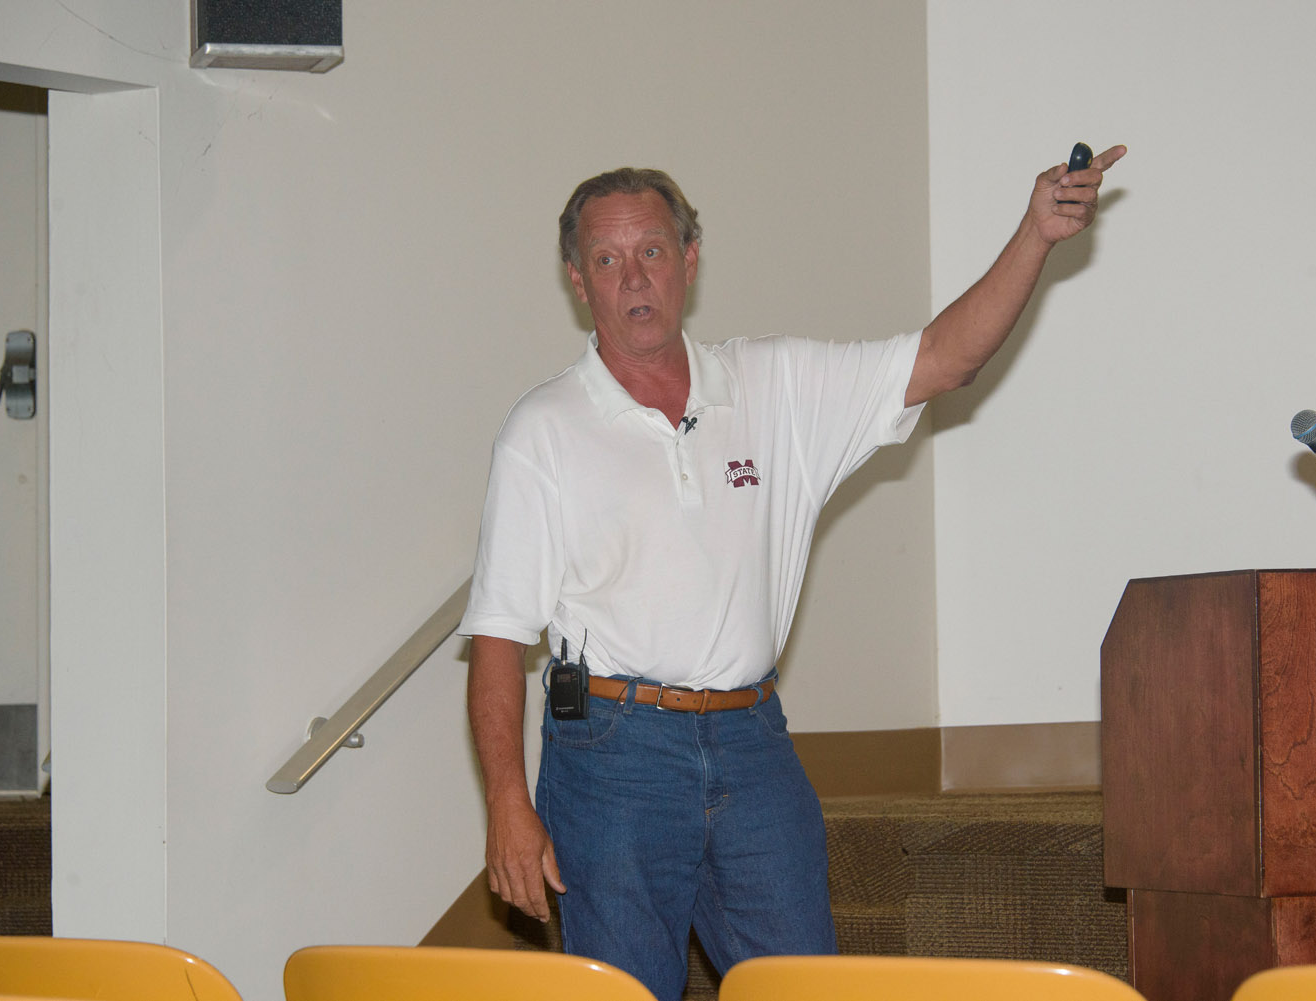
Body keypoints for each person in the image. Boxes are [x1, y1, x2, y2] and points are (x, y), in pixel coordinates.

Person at [459, 147, 1126, 1000]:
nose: (634, 277)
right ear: (578, 281)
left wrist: (1035, 234)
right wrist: (508, 806)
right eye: (607, 258)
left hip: (752, 745)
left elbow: (945, 359)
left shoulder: (777, 385)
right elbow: (497, 636)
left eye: (653, 251)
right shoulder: (542, 431)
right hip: (613, 757)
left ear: (690, 262)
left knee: (806, 986)